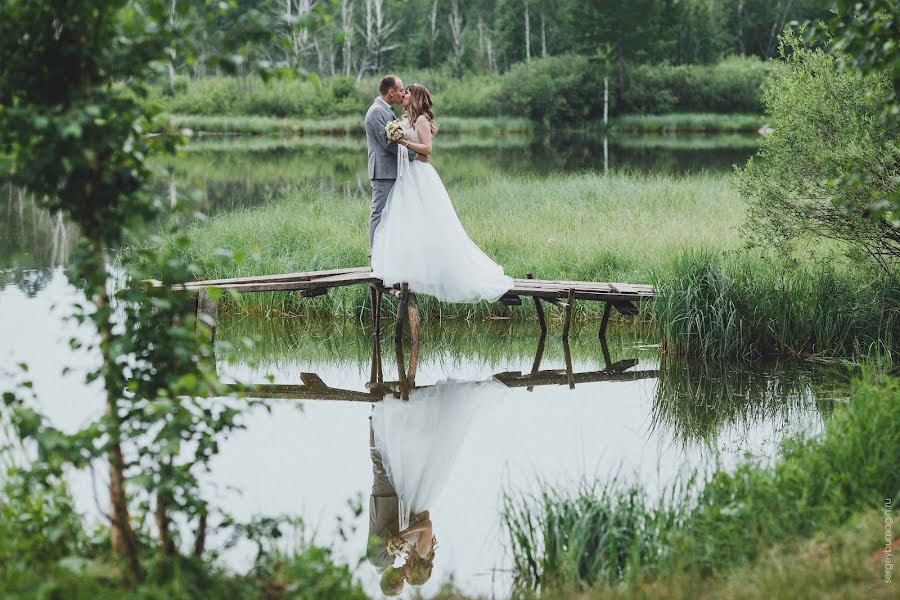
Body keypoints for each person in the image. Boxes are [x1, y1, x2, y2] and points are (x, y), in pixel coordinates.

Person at [369, 82, 513, 303]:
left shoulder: (421, 120)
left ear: (415, 96)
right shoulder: (406, 119)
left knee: (432, 222)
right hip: (406, 176)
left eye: (406, 92)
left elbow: (427, 150)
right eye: (402, 91)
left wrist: (403, 141)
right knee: (405, 221)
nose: (403, 95)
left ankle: (450, 270)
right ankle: (406, 267)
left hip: (421, 175)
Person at [365, 74, 428, 256]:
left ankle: (390, 255)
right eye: (400, 90)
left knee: (392, 215)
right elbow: (388, 144)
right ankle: (375, 254)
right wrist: (416, 156)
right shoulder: (377, 111)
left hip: (394, 170)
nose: (402, 93)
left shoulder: (387, 110)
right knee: (379, 212)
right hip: (383, 172)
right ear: (391, 92)